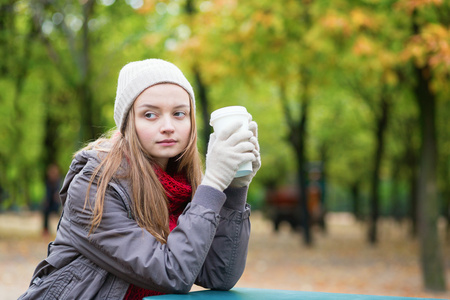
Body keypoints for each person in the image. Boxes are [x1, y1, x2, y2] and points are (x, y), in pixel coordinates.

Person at [19, 58, 261, 299]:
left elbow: (219, 275)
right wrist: (214, 183)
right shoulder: (94, 185)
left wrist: (235, 188)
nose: (168, 126)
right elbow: (172, 272)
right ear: (127, 123)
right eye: (150, 115)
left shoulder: (184, 186)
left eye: (179, 113)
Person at [42, 163, 61, 237]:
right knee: (45, 211)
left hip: (56, 204)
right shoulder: (48, 183)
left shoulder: (58, 182)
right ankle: (46, 229)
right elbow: (47, 195)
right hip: (50, 204)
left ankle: (62, 230)